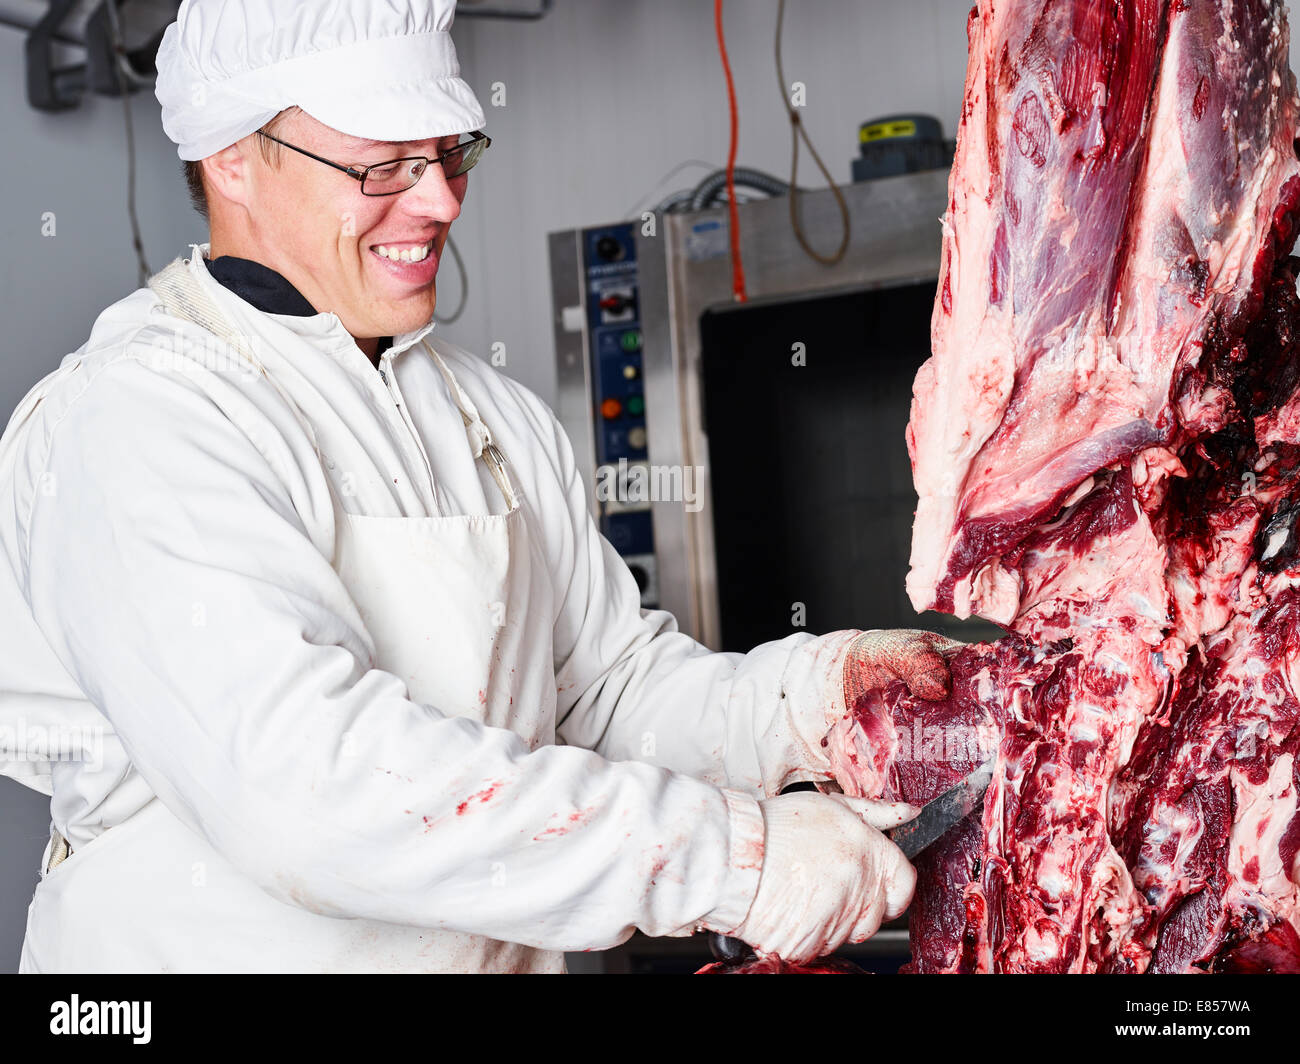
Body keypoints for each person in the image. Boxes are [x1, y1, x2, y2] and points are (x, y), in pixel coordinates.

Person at [0, 0, 956, 973]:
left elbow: (609, 695)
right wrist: (739, 862)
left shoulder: (488, 411)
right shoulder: (135, 418)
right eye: (384, 167)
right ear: (234, 156)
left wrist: (815, 696)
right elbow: (309, 793)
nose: (442, 202)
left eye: (451, 154)